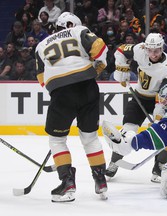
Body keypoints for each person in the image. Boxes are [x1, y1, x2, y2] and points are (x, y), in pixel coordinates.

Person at [35, 12, 109, 202]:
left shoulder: (41, 45)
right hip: (87, 86)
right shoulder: (79, 31)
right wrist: (98, 66)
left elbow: (42, 79)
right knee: (90, 137)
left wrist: (58, 91)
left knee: (57, 140)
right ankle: (101, 181)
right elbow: (100, 47)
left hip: (61, 93)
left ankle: (67, 184)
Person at [106, 33, 167, 182]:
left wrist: (159, 113)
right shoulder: (139, 49)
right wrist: (122, 71)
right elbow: (120, 50)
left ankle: (158, 168)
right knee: (127, 132)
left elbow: (164, 93)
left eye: (157, 50)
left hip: (158, 99)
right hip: (139, 97)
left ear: (162, 48)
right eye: (150, 50)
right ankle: (114, 162)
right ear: (145, 48)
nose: (153, 54)